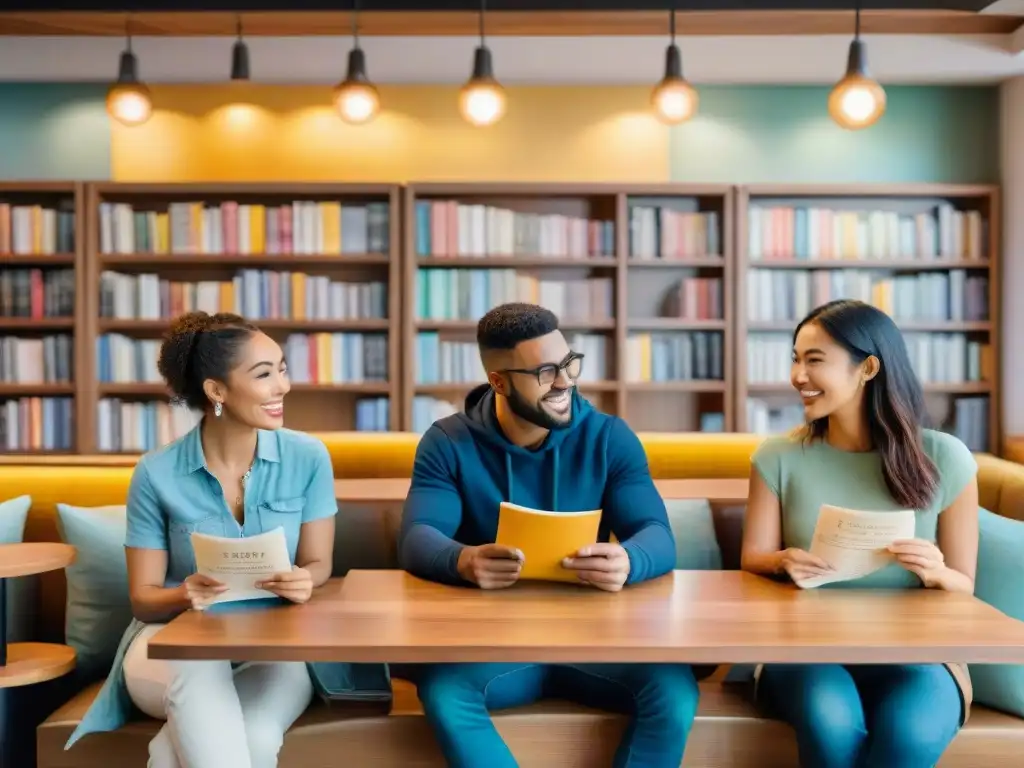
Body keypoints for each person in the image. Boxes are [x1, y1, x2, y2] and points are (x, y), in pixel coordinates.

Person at [397, 302, 699, 768]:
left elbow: (657, 534)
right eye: (544, 372)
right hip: (494, 647)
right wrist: (463, 560)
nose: (564, 382)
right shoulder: (447, 442)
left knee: (674, 692)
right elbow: (418, 536)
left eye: (568, 364)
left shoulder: (609, 437)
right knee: (443, 691)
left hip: (598, 643)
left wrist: (630, 560)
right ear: (498, 382)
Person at [66, 311, 340, 768]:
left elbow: (319, 563)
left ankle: (167, 752)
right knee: (199, 666)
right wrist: (184, 593)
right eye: (264, 374)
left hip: (272, 652)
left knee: (246, 739)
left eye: (283, 369)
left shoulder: (308, 457)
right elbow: (143, 600)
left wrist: (305, 580)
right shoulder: (156, 473)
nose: (283, 387)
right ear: (216, 390)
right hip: (172, 647)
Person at [740, 299, 979, 768]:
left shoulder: (945, 458)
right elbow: (752, 558)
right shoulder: (778, 457)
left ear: (867, 368)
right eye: (795, 358)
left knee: (908, 736)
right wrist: (782, 559)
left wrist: (936, 572)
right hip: (804, 648)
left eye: (814, 361)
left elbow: (965, 585)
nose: (797, 376)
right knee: (832, 728)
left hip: (921, 652)